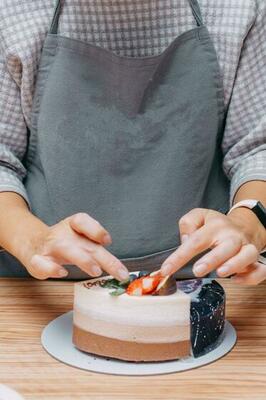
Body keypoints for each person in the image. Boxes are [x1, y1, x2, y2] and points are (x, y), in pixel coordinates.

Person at [0, 0, 265, 284]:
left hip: (208, 286)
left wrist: (248, 225)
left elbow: (257, 151)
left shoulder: (240, 7)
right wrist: (32, 240)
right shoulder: (13, 13)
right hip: (43, 288)